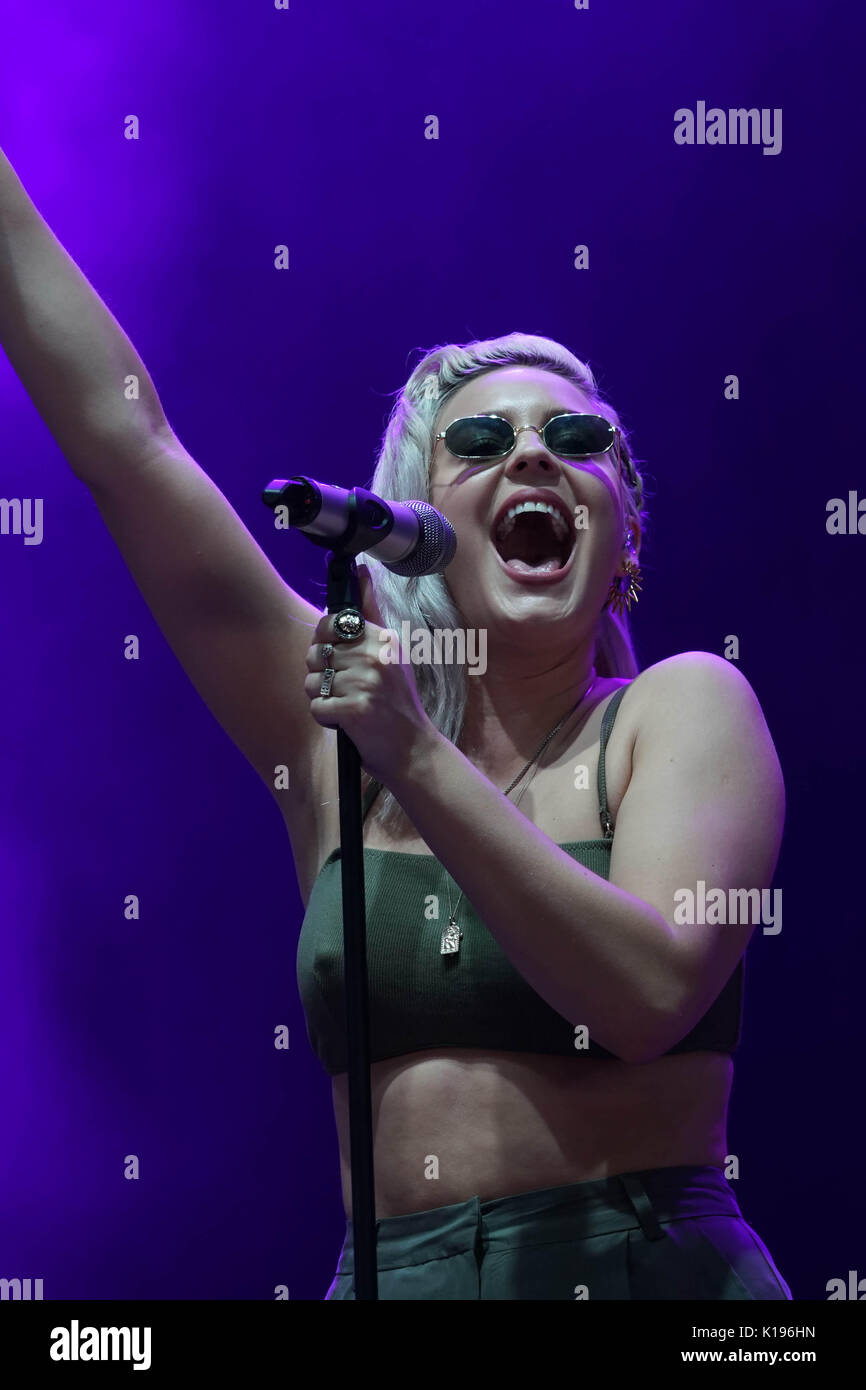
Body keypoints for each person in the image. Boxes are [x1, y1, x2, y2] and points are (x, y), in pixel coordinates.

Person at [0, 143, 791, 1301]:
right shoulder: (340, 737)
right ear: (418, 528)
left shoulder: (678, 710)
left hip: (641, 1267)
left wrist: (415, 754)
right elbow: (129, 447)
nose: (530, 452)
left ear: (624, 538)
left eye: (575, 441)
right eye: (477, 444)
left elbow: (644, 998)